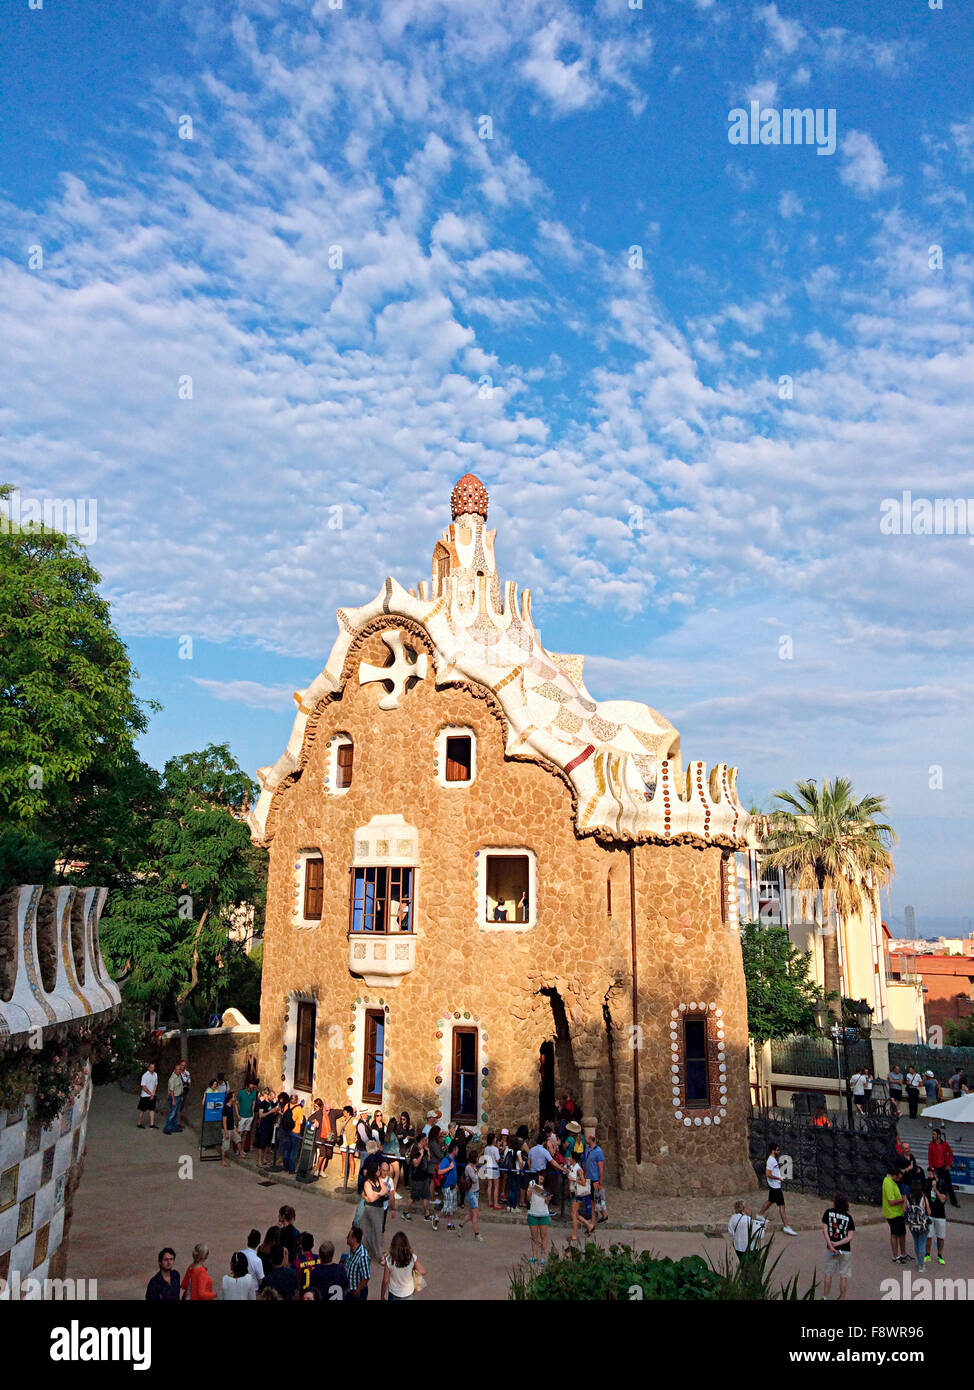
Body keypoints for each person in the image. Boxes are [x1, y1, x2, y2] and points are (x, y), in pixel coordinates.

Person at [757, 1141, 797, 1235]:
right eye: (777, 1150)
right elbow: (768, 1174)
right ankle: (786, 1226)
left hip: (775, 1185)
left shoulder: (773, 1160)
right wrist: (778, 1178)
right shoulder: (771, 1160)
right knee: (782, 1206)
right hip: (775, 1186)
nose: (779, 1151)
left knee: (770, 1201)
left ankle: (759, 1214)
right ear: (773, 1150)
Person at [820, 1192, 855, 1299]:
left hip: (832, 1250)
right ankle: (842, 1297)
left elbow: (824, 1229)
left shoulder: (828, 1213)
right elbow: (850, 1237)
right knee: (844, 1275)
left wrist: (831, 1244)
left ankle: (825, 1296)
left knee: (828, 1273)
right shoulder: (849, 1218)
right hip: (845, 1250)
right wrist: (838, 1243)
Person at [381, 1230, 426, 1300]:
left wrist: (382, 1295)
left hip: (394, 1293)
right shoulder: (411, 1257)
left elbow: (385, 1280)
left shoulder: (389, 1260)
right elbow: (422, 1271)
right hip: (408, 1293)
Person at [360, 1162, 387, 1261]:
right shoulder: (367, 1183)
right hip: (371, 1209)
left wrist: (377, 1194)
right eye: (378, 1169)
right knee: (376, 1230)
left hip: (379, 1209)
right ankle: (379, 1255)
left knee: (375, 1230)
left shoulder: (379, 1180)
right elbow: (371, 1199)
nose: (379, 1171)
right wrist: (379, 1194)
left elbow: (385, 1190)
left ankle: (372, 1251)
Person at [568, 1146, 595, 1244]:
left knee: (573, 1214)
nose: (569, 1158)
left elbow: (583, 1182)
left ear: (573, 1159)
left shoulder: (578, 1168)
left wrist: (574, 1180)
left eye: (570, 1157)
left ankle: (574, 1235)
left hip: (577, 1194)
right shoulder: (572, 1167)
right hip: (573, 1192)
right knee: (576, 1214)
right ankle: (589, 1226)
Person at [882, 1160, 908, 1263]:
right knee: (895, 1234)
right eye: (899, 1177)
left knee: (902, 1233)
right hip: (892, 1214)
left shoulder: (891, 1181)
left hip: (898, 1213)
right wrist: (903, 1199)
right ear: (895, 1175)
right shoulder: (888, 1183)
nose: (900, 1179)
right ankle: (895, 1256)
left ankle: (903, 1253)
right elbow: (891, 1202)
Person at [457, 1147, 484, 1241]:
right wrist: (476, 1172)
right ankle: (476, 1234)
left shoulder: (473, 1167)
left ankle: (460, 1226)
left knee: (471, 1214)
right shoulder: (469, 1168)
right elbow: (475, 1179)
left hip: (475, 1192)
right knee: (475, 1214)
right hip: (471, 1193)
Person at [401, 1138, 431, 1222]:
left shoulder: (424, 1149)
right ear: (421, 1141)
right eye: (425, 1140)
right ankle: (405, 1212)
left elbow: (428, 1161)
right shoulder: (415, 1149)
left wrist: (428, 1152)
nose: (427, 1142)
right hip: (416, 1177)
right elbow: (416, 1163)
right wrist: (421, 1155)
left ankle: (427, 1214)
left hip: (424, 1176)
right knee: (414, 1196)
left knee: (426, 1196)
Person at [928, 1129, 959, 1208]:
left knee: (948, 1185)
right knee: (936, 1184)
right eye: (932, 1134)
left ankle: (954, 1201)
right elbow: (930, 1157)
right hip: (936, 1168)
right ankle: (936, 1201)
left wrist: (949, 1164)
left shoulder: (945, 1144)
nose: (933, 1136)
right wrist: (932, 1168)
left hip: (944, 1168)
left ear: (939, 1135)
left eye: (934, 1134)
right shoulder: (931, 1145)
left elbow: (950, 1155)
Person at [923, 1168, 948, 1265]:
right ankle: (927, 1254)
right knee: (928, 1236)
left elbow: (942, 1199)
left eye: (930, 1174)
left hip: (940, 1215)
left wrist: (935, 1189)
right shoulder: (927, 1182)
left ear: (935, 1175)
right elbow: (924, 1195)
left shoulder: (943, 1183)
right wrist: (926, 1207)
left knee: (940, 1237)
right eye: (928, 1173)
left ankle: (940, 1255)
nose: (928, 1176)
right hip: (930, 1214)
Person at [727, 1200, 763, 1265]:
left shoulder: (732, 1218)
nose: (748, 1208)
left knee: (743, 1266)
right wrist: (764, 1229)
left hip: (738, 1247)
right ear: (743, 1209)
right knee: (753, 1268)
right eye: (746, 1207)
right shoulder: (748, 1219)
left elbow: (731, 1232)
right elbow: (759, 1234)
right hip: (750, 1249)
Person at [905, 1183, 932, 1266]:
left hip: (912, 1225)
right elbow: (929, 1212)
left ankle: (919, 1261)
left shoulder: (908, 1198)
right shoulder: (923, 1198)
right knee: (922, 1243)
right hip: (923, 1225)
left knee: (916, 1242)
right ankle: (921, 1265)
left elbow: (904, 1210)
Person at [527, 1174, 550, 1264]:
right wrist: (530, 1191)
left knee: (543, 1236)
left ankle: (543, 1257)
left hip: (543, 1214)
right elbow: (528, 1197)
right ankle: (534, 1256)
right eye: (540, 1176)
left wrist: (546, 1196)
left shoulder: (547, 1187)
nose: (541, 1178)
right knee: (534, 1237)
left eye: (543, 1176)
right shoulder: (532, 1183)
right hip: (533, 1213)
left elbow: (547, 1200)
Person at [435, 1142, 458, 1231]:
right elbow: (440, 1172)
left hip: (452, 1186)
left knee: (451, 1206)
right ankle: (436, 1217)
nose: (458, 1151)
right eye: (457, 1149)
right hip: (447, 1187)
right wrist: (449, 1168)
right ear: (454, 1150)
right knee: (447, 1207)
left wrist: (456, 1184)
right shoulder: (446, 1160)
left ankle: (449, 1224)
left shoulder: (452, 1160)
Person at [584, 1133, 607, 1224]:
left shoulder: (599, 1151)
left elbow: (601, 1168)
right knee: (595, 1200)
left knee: (596, 1200)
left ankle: (593, 1220)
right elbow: (586, 1163)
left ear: (590, 1139)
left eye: (587, 1137)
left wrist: (600, 1181)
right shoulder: (587, 1149)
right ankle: (604, 1214)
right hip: (588, 1178)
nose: (585, 1138)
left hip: (595, 1179)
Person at [344, 1225, 371, 1300]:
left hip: (357, 1294)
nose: (347, 1237)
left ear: (354, 1239)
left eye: (349, 1236)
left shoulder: (362, 1256)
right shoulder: (352, 1250)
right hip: (349, 1291)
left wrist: (358, 1290)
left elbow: (366, 1277)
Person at [255, 1088, 278, 1167]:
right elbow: (261, 1115)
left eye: (274, 1097)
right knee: (261, 1143)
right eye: (272, 1097)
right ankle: (259, 1161)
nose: (273, 1099)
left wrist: (275, 1112)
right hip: (264, 1126)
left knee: (268, 1144)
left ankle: (264, 1159)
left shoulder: (272, 1104)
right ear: (268, 1096)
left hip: (270, 1125)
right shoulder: (263, 1104)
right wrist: (270, 1112)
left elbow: (273, 1112)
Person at [163, 1063, 185, 1134]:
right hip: (174, 1097)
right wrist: (173, 1100)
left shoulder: (178, 1076)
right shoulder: (172, 1079)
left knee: (176, 1113)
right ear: (174, 1070)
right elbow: (171, 1090)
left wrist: (181, 1096)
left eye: (180, 1069)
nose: (179, 1070)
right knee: (172, 1113)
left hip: (179, 1096)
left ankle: (174, 1127)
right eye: (178, 1069)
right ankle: (167, 1128)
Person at [236, 1081, 257, 1154]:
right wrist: (237, 1114)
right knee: (240, 1133)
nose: (251, 1089)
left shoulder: (253, 1093)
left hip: (249, 1116)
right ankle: (237, 1149)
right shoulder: (241, 1093)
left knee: (245, 1133)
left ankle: (242, 1149)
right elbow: (236, 1104)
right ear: (246, 1087)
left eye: (252, 1088)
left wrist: (253, 1113)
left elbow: (253, 1103)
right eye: (250, 1088)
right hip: (242, 1116)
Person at [482, 1131, 501, 1210]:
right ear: (493, 1140)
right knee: (496, 1187)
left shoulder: (486, 1148)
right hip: (494, 1168)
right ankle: (496, 1203)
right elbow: (498, 1160)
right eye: (495, 1138)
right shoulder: (495, 1149)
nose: (496, 1139)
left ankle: (490, 1202)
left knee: (489, 1186)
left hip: (488, 1167)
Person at [137, 1063, 158, 1129]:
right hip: (145, 1095)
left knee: (152, 1109)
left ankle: (152, 1124)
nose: (152, 1069)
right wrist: (150, 1093)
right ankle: (139, 1123)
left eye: (153, 1067)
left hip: (152, 1094)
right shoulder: (145, 1075)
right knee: (142, 1110)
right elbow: (143, 1086)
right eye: (151, 1067)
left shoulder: (155, 1074)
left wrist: (153, 1093)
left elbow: (155, 1084)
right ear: (148, 1068)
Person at [220, 1089, 238, 1166]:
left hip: (231, 1128)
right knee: (225, 1145)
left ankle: (239, 1153)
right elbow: (224, 1121)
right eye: (234, 1097)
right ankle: (223, 1161)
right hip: (226, 1129)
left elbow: (231, 1118)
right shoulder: (226, 1108)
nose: (235, 1098)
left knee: (237, 1139)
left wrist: (234, 1126)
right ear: (231, 1098)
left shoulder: (231, 1106)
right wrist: (226, 1132)